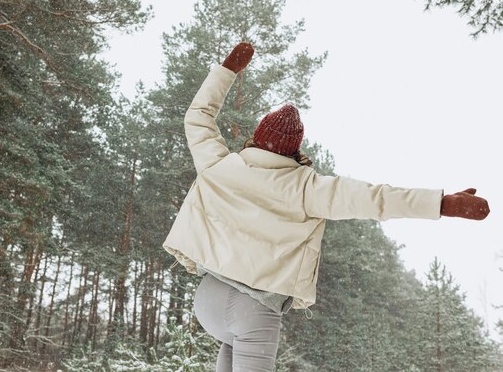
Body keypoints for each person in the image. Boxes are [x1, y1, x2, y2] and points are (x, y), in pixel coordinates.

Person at [162, 42, 490, 372]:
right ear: (294, 152)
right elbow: (376, 199)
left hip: (207, 299)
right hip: (253, 309)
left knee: (230, 349)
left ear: (256, 139)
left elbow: (198, 118)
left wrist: (227, 70)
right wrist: (443, 203)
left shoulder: (221, 166)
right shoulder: (308, 188)